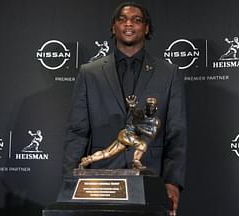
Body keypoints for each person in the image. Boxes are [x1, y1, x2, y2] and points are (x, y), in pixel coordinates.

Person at [62, 2, 187, 215]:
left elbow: (176, 133)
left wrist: (173, 182)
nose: (129, 23)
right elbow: (77, 132)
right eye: (122, 19)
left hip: (151, 182)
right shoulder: (89, 73)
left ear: (146, 28)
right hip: (100, 184)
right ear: (113, 27)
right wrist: (69, 182)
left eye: (137, 19)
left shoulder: (168, 73)